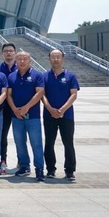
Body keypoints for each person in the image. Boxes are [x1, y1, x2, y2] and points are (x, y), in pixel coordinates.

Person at [7, 51, 45, 182]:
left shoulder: (37, 75)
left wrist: (26, 107)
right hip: (16, 116)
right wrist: (14, 109)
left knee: (36, 143)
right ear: (16, 61)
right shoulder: (12, 76)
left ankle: (39, 168)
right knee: (19, 142)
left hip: (33, 116)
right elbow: (8, 95)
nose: (22, 61)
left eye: (25, 59)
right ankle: (24, 166)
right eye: (19, 59)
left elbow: (39, 93)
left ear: (30, 61)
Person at [42, 49, 79, 180]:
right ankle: (50, 169)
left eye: (58, 57)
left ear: (62, 59)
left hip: (67, 115)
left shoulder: (70, 76)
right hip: (49, 115)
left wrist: (62, 109)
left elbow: (73, 94)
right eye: (53, 57)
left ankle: (70, 170)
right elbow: (42, 95)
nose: (55, 59)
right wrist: (50, 109)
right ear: (49, 59)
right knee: (49, 142)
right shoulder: (44, 76)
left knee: (68, 143)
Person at [0, 42, 18, 174]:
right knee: (2, 136)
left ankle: (22, 161)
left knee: (20, 136)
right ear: (2, 54)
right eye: (6, 51)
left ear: (15, 53)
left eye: (11, 51)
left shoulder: (21, 67)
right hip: (3, 108)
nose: (8, 53)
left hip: (19, 108)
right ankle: (2, 160)